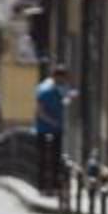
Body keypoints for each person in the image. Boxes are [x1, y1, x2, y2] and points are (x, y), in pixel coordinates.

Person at [35, 65, 70, 195]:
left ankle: (54, 186)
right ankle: (42, 186)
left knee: (55, 158)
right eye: (62, 77)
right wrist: (52, 121)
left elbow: (65, 100)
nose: (64, 80)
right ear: (56, 76)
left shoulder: (62, 88)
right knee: (43, 158)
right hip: (44, 128)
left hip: (56, 128)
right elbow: (39, 110)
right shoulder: (45, 89)